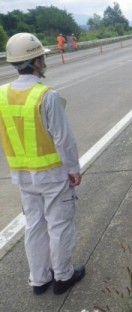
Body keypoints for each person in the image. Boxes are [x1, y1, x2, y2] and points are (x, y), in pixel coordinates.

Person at [0, 33, 85, 295]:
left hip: (22, 175)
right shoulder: (46, 96)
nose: (44, 62)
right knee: (59, 225)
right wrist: (73, 170)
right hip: (52, 174)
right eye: (42, 58)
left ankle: (38, 280)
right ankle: (62, 276)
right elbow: (63, 139)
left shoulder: (2, 94)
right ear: (36, 62)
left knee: (35, 226)